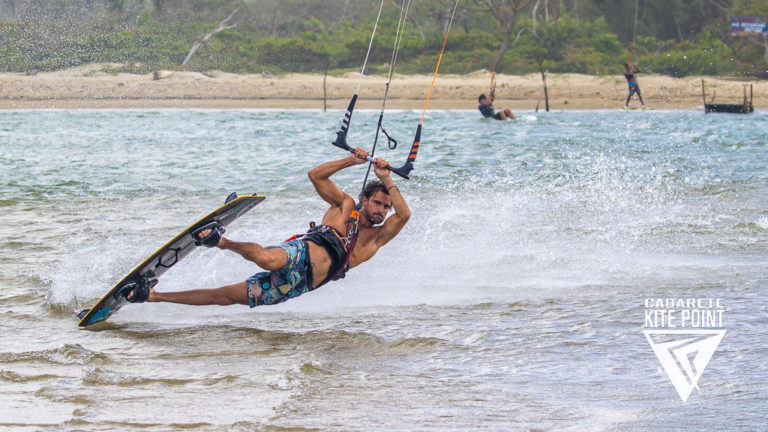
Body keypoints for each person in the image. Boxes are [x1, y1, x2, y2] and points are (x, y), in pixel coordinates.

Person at [122, 147, 410, 308]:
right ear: (365, 199)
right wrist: (351, 160)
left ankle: (150, 295)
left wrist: (386, 178)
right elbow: (316, 176)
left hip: (301, 284)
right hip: (301, 253)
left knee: (225, 296)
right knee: (268, 258)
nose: (383, 211)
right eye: (378, 204)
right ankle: (219, 241)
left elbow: (404, 215)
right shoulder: (344, 205)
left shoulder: (376, 238)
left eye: (386, 207)